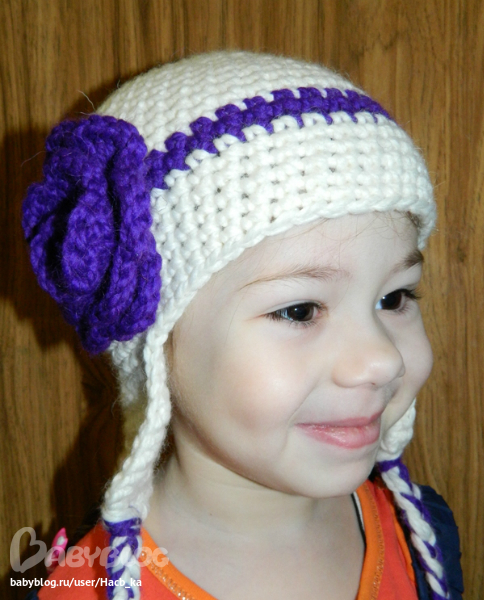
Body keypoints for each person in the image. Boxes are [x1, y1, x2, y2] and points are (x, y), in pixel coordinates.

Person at [22, 51, 463, 600]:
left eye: (394, 298)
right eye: (300, 310)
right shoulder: (83, 589)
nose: (382, 359)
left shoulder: (422, 537)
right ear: (155, 343)